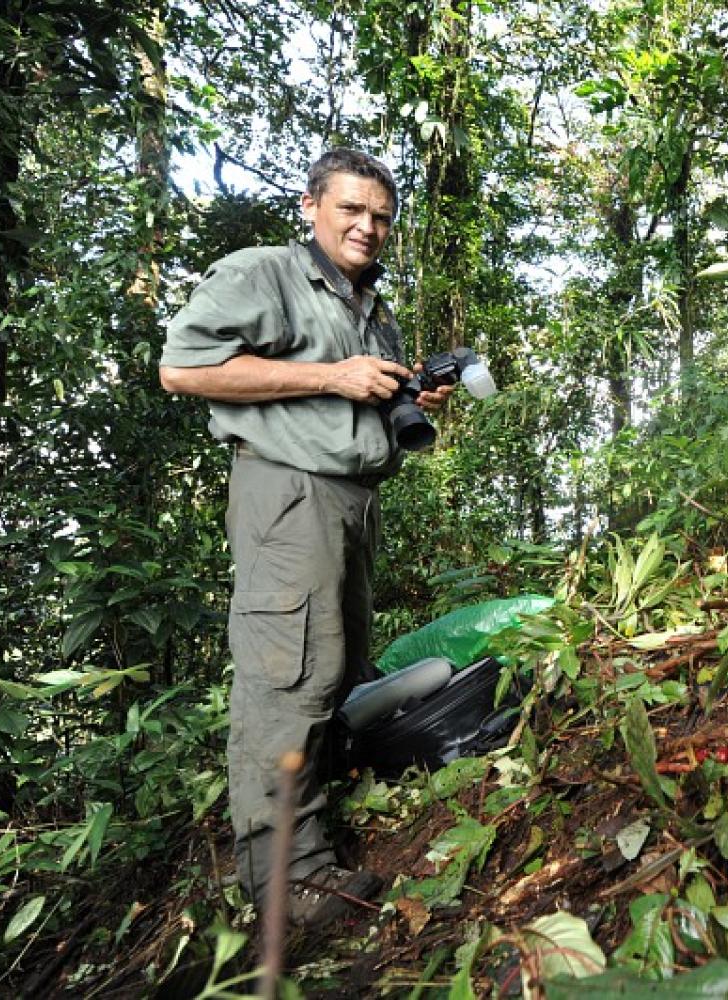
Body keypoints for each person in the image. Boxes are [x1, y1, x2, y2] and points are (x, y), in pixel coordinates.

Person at [159, 149, 454, 926]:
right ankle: (286, 884)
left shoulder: (372, 308)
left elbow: (361, 390)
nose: (368, 227)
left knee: (338, 666)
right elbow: (184, 368)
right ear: (310, 205)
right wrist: (332, 377)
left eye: (381, 216)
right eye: (351, 209)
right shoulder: (266, 273)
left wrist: (405, 385)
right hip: (286, 492)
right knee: (289, 673)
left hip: (353, 501)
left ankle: (320, 829)